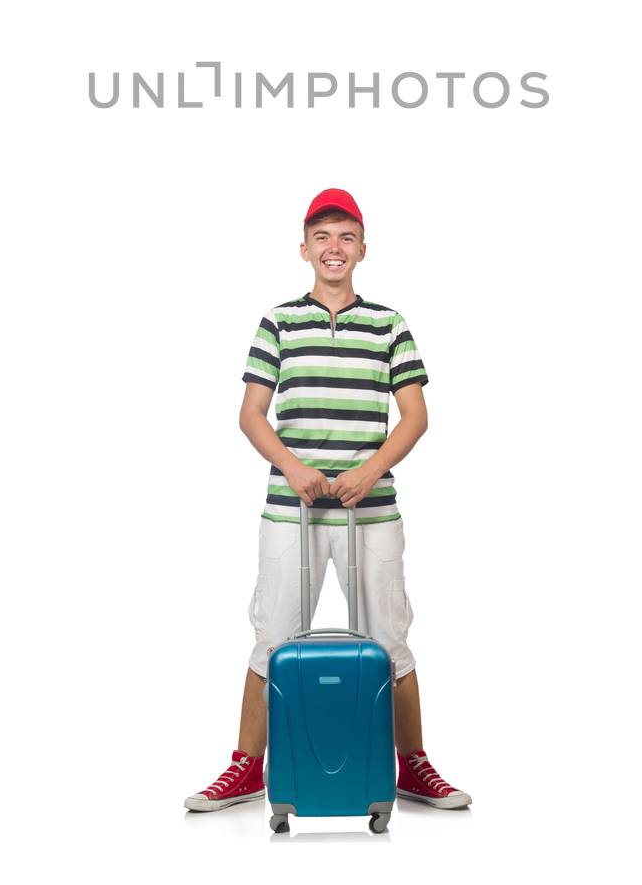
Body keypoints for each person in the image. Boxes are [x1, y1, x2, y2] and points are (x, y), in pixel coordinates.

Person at [184, 188, 471, 814]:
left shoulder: (390, 324)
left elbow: (415, 416)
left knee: (390, 638)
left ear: (363, 248)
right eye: (322, 236)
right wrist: (294, 468)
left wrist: (369, 471)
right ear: (304, 249)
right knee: (273, 638)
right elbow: (252, 414)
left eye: (345, 236)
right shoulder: (278, 321)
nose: (333, 247)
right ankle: (246, 769)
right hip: (292, 510)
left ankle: (412, 767)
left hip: (372, 508)